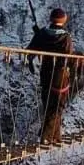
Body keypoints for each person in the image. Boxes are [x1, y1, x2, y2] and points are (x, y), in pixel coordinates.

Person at [26, 8, 77, 145]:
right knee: (57, 106)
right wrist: (82, 60)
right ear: (64, 20)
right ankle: (46, 136)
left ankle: (55, 136)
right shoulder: (65, 37)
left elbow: (32, 49)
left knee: (49, 105)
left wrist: (38, 36)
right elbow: (69, 56)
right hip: (60, 76)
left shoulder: (42, 34)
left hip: (46, 73)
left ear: (50, 19)